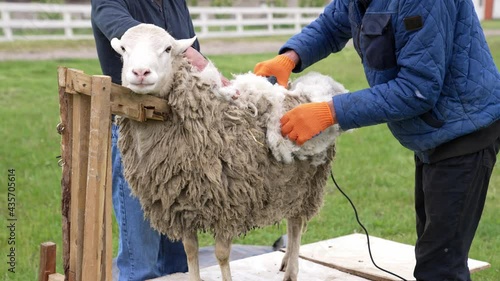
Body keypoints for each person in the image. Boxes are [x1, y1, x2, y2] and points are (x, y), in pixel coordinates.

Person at [254, 0, 500, 280]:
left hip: (464, 130)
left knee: (441, 266)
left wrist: (330, 111)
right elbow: (332, 24)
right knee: (433, 250)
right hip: (435, 131)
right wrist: (291, 56)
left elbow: (417, 89)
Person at [91, 1, 221, 280]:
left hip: (174, 134)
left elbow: (188, 56)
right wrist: (181, 48)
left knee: (180, 240)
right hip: (134, 133)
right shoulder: (110, 2)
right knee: (141, 257)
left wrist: (212, 78)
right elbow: (119, 25)